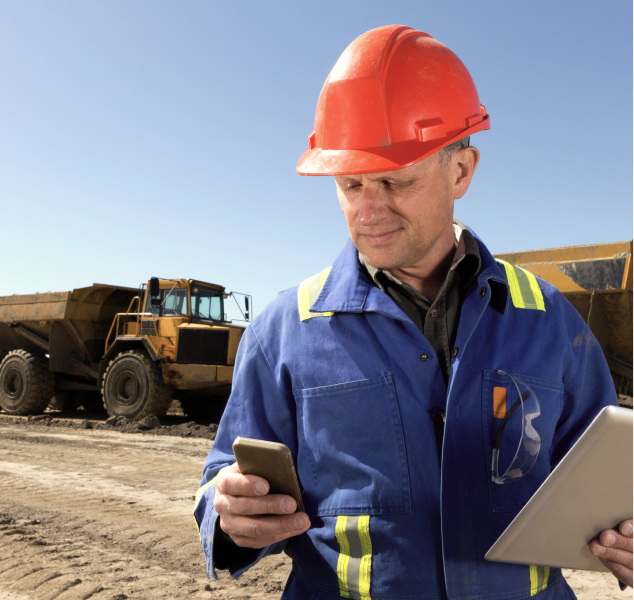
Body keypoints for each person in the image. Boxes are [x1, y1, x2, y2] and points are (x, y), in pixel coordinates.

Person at [194, 25, 632, 599]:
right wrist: (229, 517)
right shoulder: (284, 331)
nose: (367, 210)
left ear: (461, 171)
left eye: (394, 181)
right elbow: (222, 484)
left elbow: (612, 483)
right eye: (350, 184)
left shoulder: (548, 322)